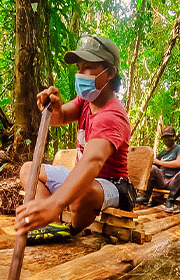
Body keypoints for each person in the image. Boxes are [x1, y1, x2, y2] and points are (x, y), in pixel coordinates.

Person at [14, 35, 133, 244]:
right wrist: (55, 107)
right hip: (85, 177)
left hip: (113, 185)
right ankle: (52, 225)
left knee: (82, 190)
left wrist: (56, 203)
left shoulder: (112, 116)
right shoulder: (87, 101)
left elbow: (92, 162)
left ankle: (73, 228)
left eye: (88, 67)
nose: (80, 74)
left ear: (110, 73)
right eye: (79, 68)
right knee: (28, 169)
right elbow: (59, 118)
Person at [136, 126, 180, 213]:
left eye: (169, 137)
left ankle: (170, 200)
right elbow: (153, 167)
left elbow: (179, 163)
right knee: (152, 168)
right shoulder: (162, 154)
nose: (167, 139)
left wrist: (159, 162)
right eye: (165, 137)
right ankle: (145, 196)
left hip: (174, 181)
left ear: (174, 137)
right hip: (161, 180)